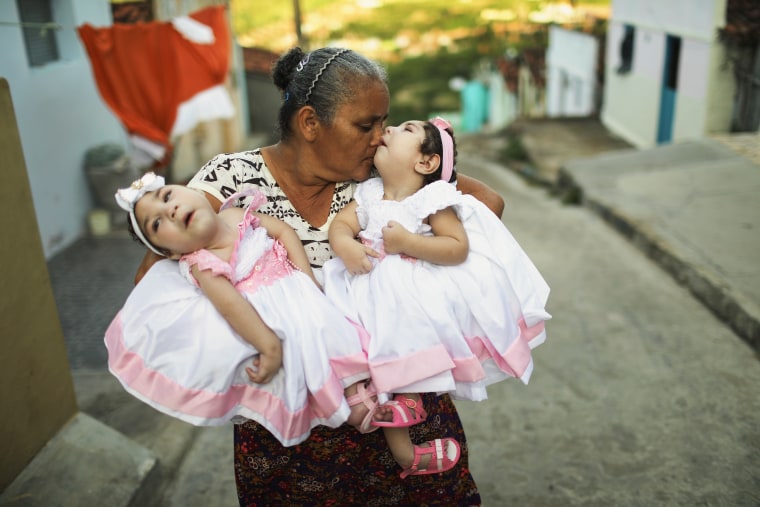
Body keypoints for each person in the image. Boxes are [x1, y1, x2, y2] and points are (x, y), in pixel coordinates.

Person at [134, 46, 504, 505]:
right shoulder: (231, 180)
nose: (380, 135)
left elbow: (489, 204)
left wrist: (420, 198)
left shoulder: (377, 176)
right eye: (365, 125)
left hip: (402, 409)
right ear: (310, 123)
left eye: (384, 122)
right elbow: (155, 279)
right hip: (289, 433)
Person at [108, 171, 460, 476]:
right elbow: (233, 308)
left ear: (195, 192)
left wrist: (306, 279)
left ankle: (394, 415)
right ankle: (380, 428)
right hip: (281, 319)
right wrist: (269, 346)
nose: (168, 210)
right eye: (157, 224)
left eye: (167, 196)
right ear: (170, 254)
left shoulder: (235, 214)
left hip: (306, 295)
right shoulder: (201, 263)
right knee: (323, 360)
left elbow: (283, 233)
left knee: (358, 342)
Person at [322, 117, 551, 477]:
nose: (390, 130)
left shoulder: (430, 199)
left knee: (402, 350)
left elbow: (456, 247)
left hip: (403, 293)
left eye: (405, 130)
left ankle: (407, 415)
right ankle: (396, 441)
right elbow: (341, 224)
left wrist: (410, 244)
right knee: (346, 336)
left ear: (426, 163)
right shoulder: (367, 192)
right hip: (362, 285)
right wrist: (344, 244)